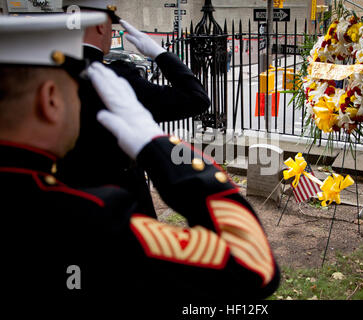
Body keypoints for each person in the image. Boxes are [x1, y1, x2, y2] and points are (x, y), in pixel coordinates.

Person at [0, 13, 279, 299]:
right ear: (50, 99)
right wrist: (157, 145)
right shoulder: (92, 218)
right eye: (72, 92)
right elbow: (252, 266)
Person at [58, 0, 210, 218]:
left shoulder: (42, 77)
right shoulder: (118, 79)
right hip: (121, 210)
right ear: (102, 26)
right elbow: (196, 98)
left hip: (64, 206)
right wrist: (160, 54)